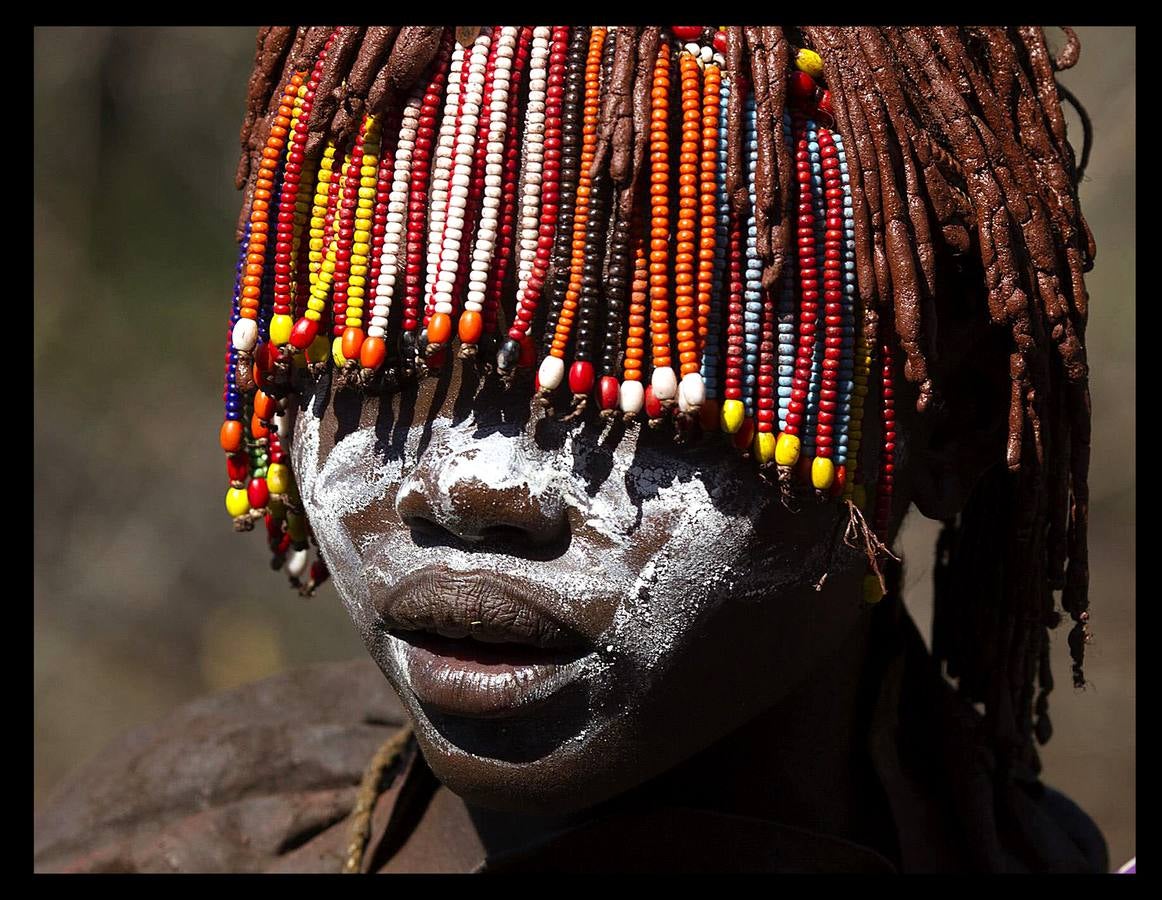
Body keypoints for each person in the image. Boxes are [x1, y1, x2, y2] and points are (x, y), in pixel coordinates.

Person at [34, 25, 1107, 873]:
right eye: (380, 364)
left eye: (641, 379)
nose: (470, 484)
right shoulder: (169, 824)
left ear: (949, 421)